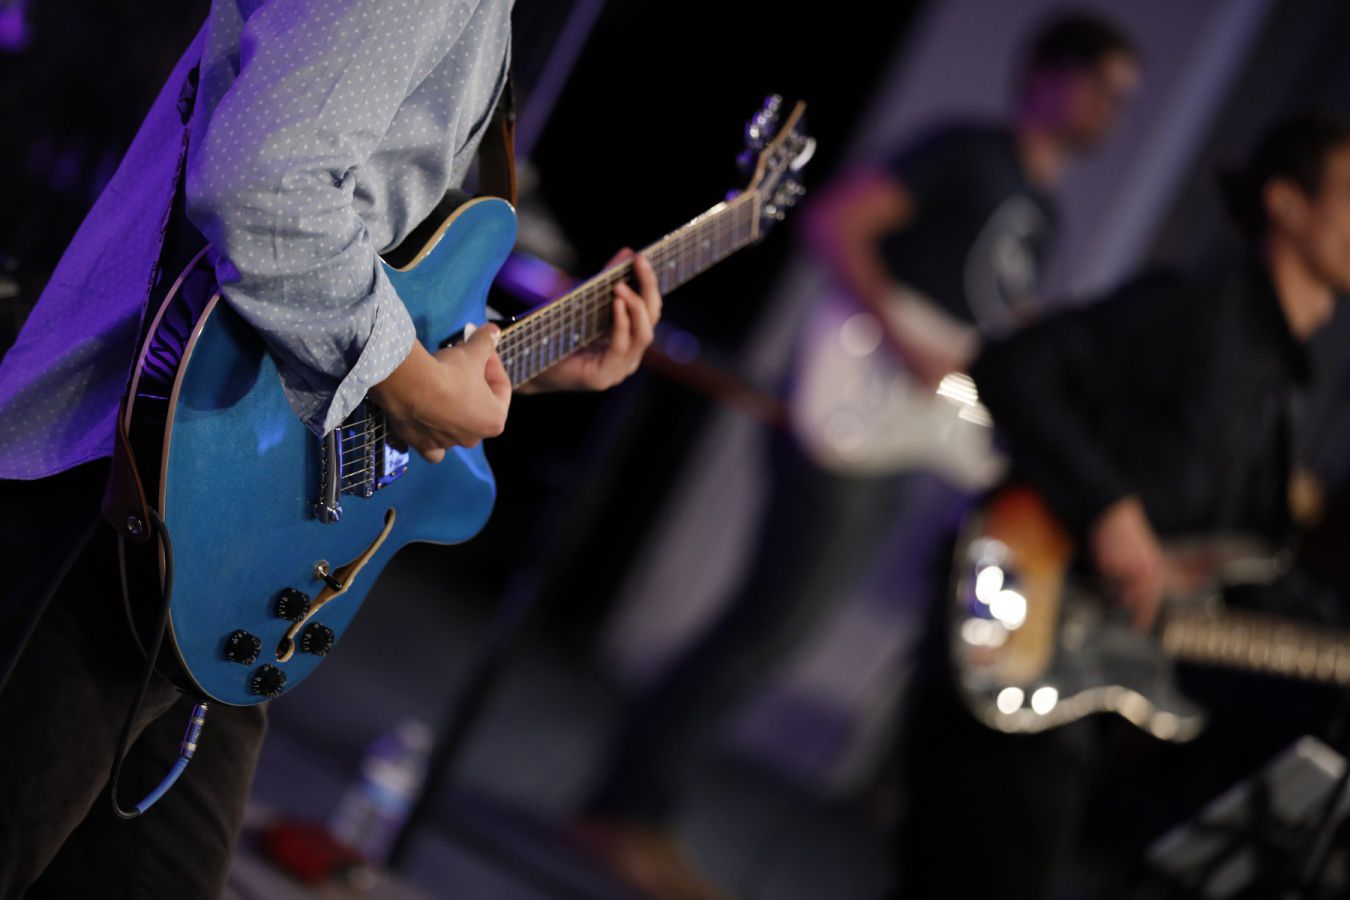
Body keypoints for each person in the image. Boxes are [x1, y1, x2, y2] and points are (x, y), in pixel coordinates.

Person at [0, 1, 663, 895]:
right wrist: (414, 384)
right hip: (133, 484)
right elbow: (266, 190)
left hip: (230, 527)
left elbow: (373, 248)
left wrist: (501, 362)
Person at [572, 12, 1140, 900]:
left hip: (906, 438)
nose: (1111, 109)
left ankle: (636, 808)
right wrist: (901, 337)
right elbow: (836, 223)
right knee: (766, 626)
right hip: (852, 405)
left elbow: (990, 319)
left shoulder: (1043, 212)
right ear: (1046, 73)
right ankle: (624, 810)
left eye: (1123, 98)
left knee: (777, 630)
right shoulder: (968, 153)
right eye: (1101, 86)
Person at [895, 111, 1350, 899]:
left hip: (1087, 682)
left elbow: (1242, 566)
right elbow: (1014, 366)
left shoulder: (1280, 385)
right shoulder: (1200, 308)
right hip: (1025, 614)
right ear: (1286, 204)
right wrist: (1110, 512)